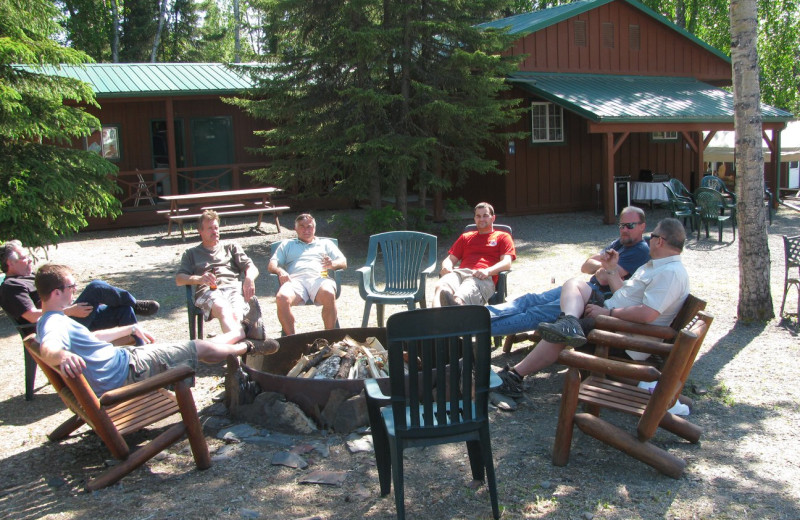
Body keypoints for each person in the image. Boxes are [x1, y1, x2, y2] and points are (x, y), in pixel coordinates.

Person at [496, 218, 689, 400]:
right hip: (616, 320)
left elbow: (647, 314)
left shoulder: (670, 273)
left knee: (564, 332)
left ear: (660, 241)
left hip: (625, 336)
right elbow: (625, 294)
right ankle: (569, 320)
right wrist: (612, 269)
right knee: (574, 284)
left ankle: (515, 375)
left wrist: (608, 314)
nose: (648, 241)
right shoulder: (656, 266)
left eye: (651, 237)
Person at [34, 264, 278, 396]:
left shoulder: (52, 318)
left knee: (195, 347)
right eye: (71, 286)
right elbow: (49, 348)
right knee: (200, 347)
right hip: (129, 371)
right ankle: (249, 345)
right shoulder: (54, 323)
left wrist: (127, 328)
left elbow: (91, 338)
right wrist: (63, 355)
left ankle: (244, 330)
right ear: (56, 293)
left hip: (127, 363)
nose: (75, 290)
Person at [487, 206, 650, 337]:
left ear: (642, 226)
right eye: (621, 225)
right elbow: (585, 266)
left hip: (597, 298)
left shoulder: (640, 250)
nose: (624, 229)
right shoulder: (620, 243)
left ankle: (474, 328)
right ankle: (479, 315)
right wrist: (603, 267)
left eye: (630, 225)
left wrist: (601, 267)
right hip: (584, 288)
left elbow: (604, 278)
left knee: (535, 313)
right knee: (530, 300)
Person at [1, 240, 159, 339]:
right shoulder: (11, 286)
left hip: (67, 318)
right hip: (56, 327)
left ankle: (141, 352)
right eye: (23, 257)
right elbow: (32, 316)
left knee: (123, 310)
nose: (29, 259)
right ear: (10, 263)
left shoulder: (29, 277)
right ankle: (135, 304)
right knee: (95, 287)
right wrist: (70, 311)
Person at [176, 210, 265, 345]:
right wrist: (199, 279)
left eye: (216, 228)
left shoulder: (231, 247)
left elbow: (251, 268)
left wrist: (249, 278)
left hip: (233, 288)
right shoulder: (191, 253)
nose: (215, 231)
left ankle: (235, 349)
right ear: (200, 231)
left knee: (236, 314)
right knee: (224, 309)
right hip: (208, 291)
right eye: (210, 228)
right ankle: (242, 347)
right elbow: (179, 279)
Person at [268, 213, 347, 335]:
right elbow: (272, 264)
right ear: (295, 228)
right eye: (302, 226)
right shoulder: (287, 244)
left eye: (309, 226)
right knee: (282, 297)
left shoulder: (325, 243)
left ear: (314, 228)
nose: (306, 230)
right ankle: (292, 339)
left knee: (329, 293)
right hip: (295, 280)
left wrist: (332, 264)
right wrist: (280, 271)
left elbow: (343, 262)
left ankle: (330, 339)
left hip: (319, 278)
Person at [433, 202, 516, 307]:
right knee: (440, 287)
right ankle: (436, 318)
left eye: (485, 216)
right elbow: (449, 259)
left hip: (483, 277)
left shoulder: (503, 237)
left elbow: (506, 263)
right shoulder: (465, 237)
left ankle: (452, 315)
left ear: (493, 218)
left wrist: (487, 271)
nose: (481, 219)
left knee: (462, 295)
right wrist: (446, 267)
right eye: (478, 216)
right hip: (460, 273)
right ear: (474, 219)